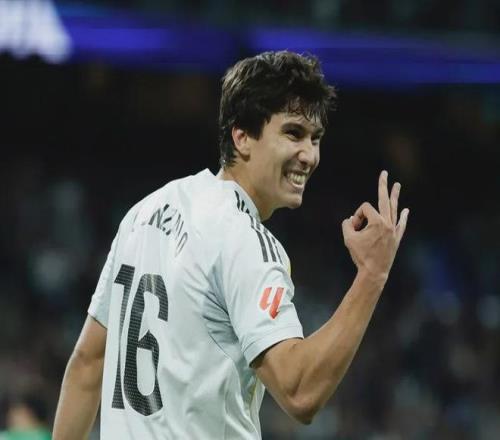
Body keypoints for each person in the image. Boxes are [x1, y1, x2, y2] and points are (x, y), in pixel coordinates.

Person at [53, 50, 409, 439]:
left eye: (316, 138)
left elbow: (88, 362)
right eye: (293, 133)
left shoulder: (145, 212)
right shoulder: (244, 239)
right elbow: (300, 391)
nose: (309, 155)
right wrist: (372, 275)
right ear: (242, 137)